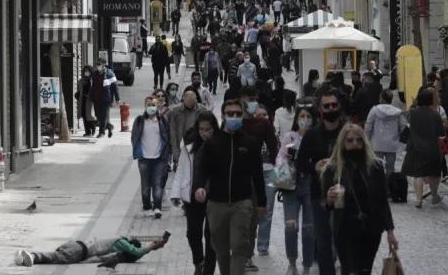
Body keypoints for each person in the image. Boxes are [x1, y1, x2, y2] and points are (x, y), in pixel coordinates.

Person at [193, 100, 267, 275]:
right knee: (221, 248)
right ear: (223, 116)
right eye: (230, 114)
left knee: (239, 245)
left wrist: (261, 202)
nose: (234, 117)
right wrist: (199, 187)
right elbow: (202, 169)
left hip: (241, 203)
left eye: (238, 114)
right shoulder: (212, 143)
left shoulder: (249, 143)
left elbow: (258, 175)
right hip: (216, 204)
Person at [322, 124, 398, 274]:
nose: (355, 144)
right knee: (349, 270)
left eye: (359, 140)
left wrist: (390, 232)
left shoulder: (375, 167)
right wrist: (329, 199)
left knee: (364, 270)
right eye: (350, 140)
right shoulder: (332, 168)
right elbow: (323, 202)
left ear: (364, 141)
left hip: (371, 228)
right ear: (342, 142)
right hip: (344, 227)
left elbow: (383, 201)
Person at [295, 89, 347, 275]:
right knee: (323, 242)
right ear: (320, 109)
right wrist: (314, 167)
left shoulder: (348, 132)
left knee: (345, 241)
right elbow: (300, 163)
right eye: (327, 106)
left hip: (347, 194)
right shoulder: (312, 134)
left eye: (334, 105)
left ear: (339, 107)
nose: (331, 108)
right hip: (320, 195)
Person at [171, 112, 219, 275]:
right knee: (192, 233)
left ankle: (208, 271)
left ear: (214, 129)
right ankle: (199, 262)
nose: (205, 133)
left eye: (208, 130)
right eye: (202, 130)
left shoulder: (220, 145)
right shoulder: (189, 144)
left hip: (215, 196)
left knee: (211, 235)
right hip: (193, 194)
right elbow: (181, 169)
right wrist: (175, 192)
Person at [240, 87, 279, 264]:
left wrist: (275, 165)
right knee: (246, 212)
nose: (253, 103)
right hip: (243, 174)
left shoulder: (264, 124)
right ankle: (246, 248)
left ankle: (261, 245)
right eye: (250, 99)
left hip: (267, 171)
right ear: (242, 100)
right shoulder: (236, 122)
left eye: (255, 99)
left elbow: (273, 147)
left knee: (264, 209)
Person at [276, 104, 317, 275]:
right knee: (290, 227)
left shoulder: (317, 138)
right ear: (297, 118)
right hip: (291, 185)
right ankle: (292, 263)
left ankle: (307, 265)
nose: (305, 120)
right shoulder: (290, 136)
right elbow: (280, 156)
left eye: (308, 117)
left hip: (311, 185)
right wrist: (283, 166)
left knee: (309, 229)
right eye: (302, 116)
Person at [401, 89, 445, 208]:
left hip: (415, 147)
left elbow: (408, 127)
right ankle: (434, 196)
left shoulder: (413, 113)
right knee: (434, 173)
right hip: (431, 148)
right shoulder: (435, 114)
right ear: (430, 100)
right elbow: (442, 133)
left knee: (418, 174)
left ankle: (418, 200)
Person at [14, 235, 168, 267]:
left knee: (56, 256)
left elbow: (98, 259)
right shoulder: (122, 243)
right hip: (79, 251)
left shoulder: (113, 240)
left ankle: (22, 258)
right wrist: (152, 247)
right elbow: (136, 252)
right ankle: (33, 256)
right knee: (55, 258)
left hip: (75, 244)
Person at [131, 95, 171, 219]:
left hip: (159, 159)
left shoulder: (162, 120)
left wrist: (167, 154)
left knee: (158, 184)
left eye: (153, 105)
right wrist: (138, 152)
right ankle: (147, 207)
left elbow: (167, 137)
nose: (151, 107)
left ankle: (157, 207)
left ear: (157, 106)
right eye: (148, 105)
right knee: (145, 185)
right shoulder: (139, 120)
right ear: (145, 106)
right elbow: (134, 137)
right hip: (144, 159)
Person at [364, 89, 407, 175]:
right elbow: (403, 127)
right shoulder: (398, 112)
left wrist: (367, 141)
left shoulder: (374, 110)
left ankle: (379, 182)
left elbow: (368, 127)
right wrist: (401, 142)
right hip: (392, 145)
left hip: (376, 144)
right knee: (390, 168)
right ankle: (389, 182)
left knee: (377, 168)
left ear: (382, 98)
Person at [167, 89, 206, 167]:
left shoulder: (202, 110)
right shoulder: (175, 110)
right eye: (188, 101)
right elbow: (172, 132)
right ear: (183, 99)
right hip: (181, 144)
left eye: (193, 101)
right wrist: (175, 151)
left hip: (196, 144)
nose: (191, 104)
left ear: (196, 99)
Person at [90, 57, 119, 138]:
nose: (97, 66)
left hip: (106, 98)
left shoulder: (110, 73)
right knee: (98, 115)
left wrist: (117, 98)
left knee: (104, 116)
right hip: (96, 98)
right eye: (97, 64)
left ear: (104, 64)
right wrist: (91, 96)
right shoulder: (95, 74)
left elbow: (115, 87)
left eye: (99, 64)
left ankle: (101, 132)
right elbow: (93, 87)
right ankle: (109, 127)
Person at [76, 65, 97, 137]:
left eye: (88, 71)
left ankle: (93, 127)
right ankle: (87, 132)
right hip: (83, 100)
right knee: (84, 116)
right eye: (85, 71)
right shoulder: (81, 81)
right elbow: (79, 90)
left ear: (91, 72)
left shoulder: (93, 80)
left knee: (90, 116)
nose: (86, 72)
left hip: (90, 101)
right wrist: (77, 95)